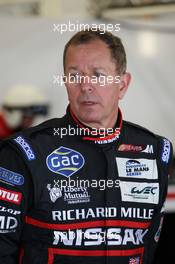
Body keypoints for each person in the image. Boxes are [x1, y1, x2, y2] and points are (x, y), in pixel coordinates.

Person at [0, 29, 173, 264]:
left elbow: (149, 247)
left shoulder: (155, 151)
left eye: (98, 75)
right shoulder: (24, 153)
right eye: (74, 76)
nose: (85, 86)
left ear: (122, 85)